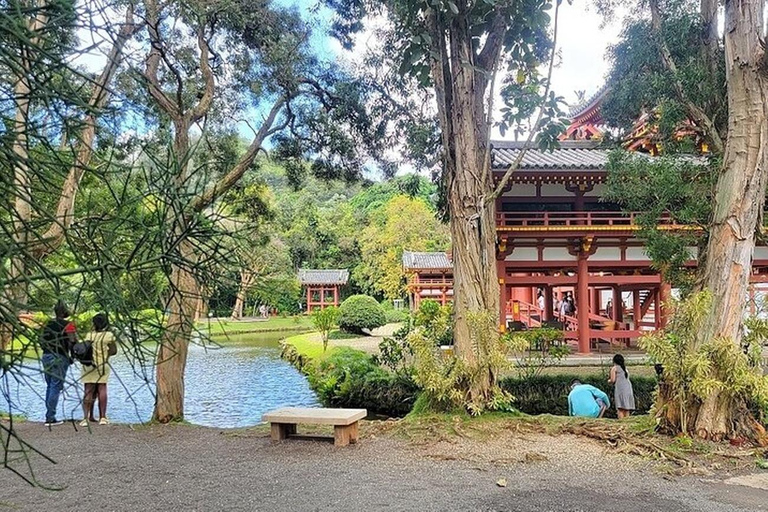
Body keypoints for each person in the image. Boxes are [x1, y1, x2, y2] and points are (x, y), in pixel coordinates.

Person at [40, 301, 77, 426]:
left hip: (46, 356)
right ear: (63, 312)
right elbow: (72, 341)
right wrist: (72, 356)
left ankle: (49, 414)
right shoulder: (68, 325)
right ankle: (50, 417)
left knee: (50, 385)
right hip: (59, 356)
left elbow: (41, 340)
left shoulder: (48, 324)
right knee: (56, 386)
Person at [79, 313, 117, 426]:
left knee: (88, 390)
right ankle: (103, 417)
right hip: (102, 365)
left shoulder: (89, 335)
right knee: (102, 388)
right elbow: (114, 351)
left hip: (88, 365)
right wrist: (107, 355)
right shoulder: (109, 335)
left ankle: (85, 418)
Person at [608, 354, 636, 419]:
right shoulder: (625, 368)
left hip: (620, 389)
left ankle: (621, 422)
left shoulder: (614, 368)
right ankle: (627, 423)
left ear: (614, 361)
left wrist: (608, 381)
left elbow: (613, 380)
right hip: (628, 389)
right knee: (626, 408)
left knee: (620, 408)